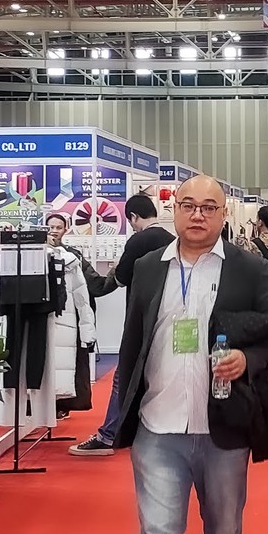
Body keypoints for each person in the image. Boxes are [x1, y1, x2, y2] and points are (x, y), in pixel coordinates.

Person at [109, 175, 268, 534]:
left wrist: (248, 359)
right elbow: (134, 340)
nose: (197, 215)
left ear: (223, 214)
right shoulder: (149, 267)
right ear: (174, 211)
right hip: (158, 425)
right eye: (188, 205)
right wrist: (120, 411)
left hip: (223, 428)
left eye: (209, 207)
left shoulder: (248, 267)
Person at [69, 190, 176, 458]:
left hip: (140, 318)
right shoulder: (171, 239)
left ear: (133, 217)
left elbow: (121, 279)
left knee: (124, 375)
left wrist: (117, 266)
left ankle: (108, 436)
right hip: (168, 315)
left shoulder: (138, 241)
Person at [44, 213, 98, 416]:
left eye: (58, 227)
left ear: (65, 230)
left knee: (65, 364)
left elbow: (85, 293)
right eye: (50, 227)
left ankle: (61, 405)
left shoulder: (73, 257)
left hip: (66, 319)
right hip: (40, 319)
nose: (54, 231)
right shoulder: (30, 254)